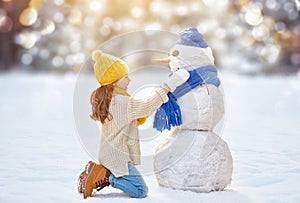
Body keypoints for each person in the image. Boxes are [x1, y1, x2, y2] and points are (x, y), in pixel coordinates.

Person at [78, 50, 190, 199]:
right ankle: (105, 175)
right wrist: (167, 87)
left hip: (110, 154)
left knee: (135, 185)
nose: (129, 80)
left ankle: (100, 173)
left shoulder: (113, 99)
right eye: (125, 77)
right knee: (140, 190)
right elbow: (145, 106)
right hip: (116, 157)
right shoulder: (119, 102)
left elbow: (139, 111)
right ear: (114, 81)